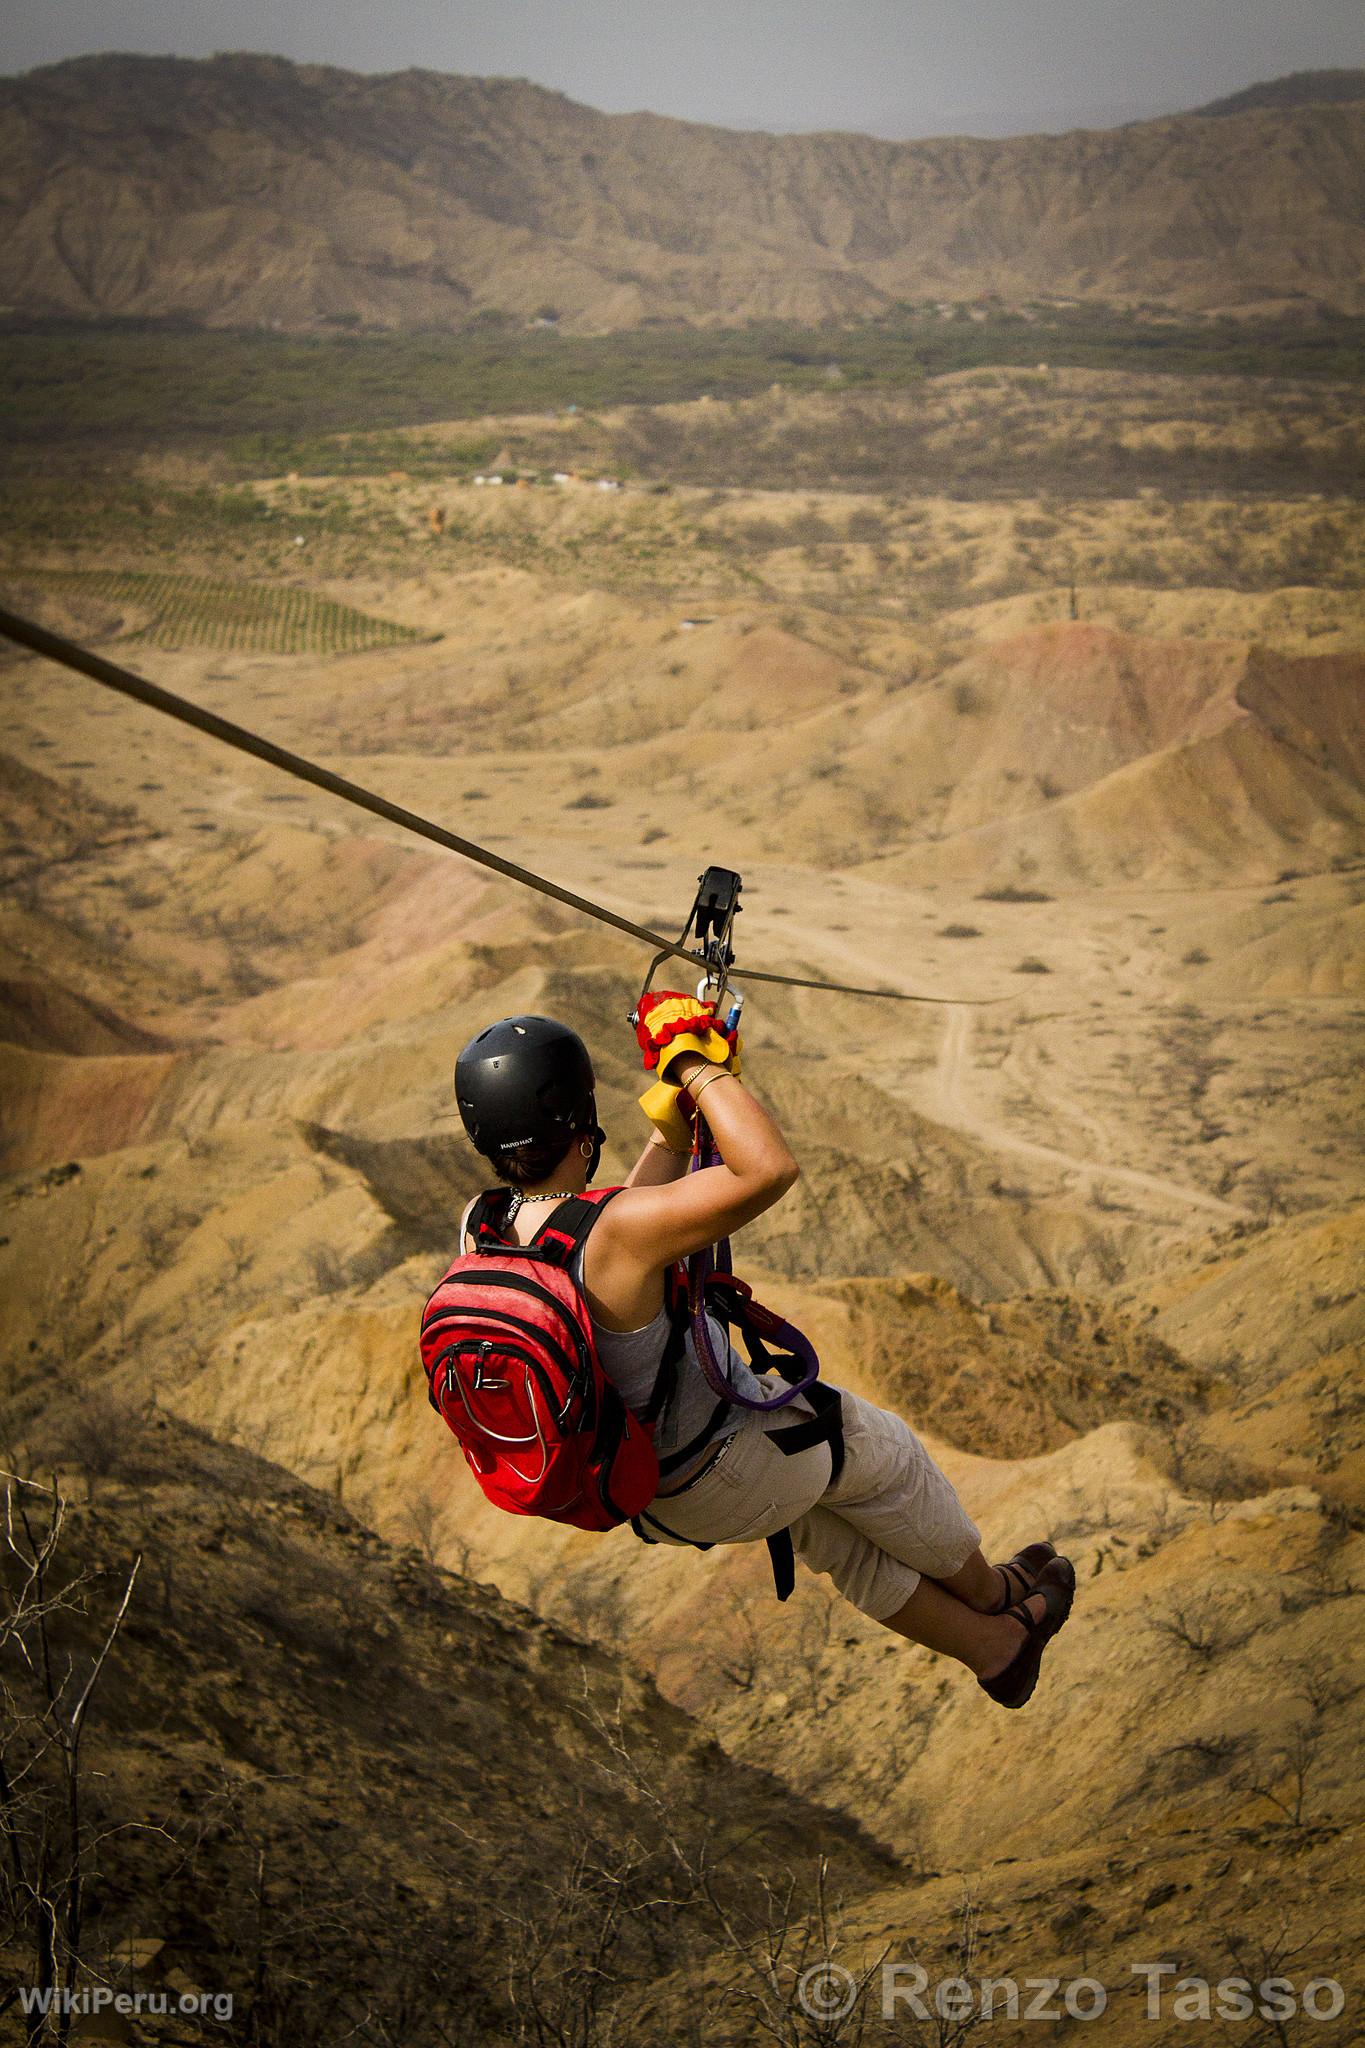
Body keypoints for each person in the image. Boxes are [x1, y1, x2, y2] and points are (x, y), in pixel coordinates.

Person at [453, 1009, 1074, 1709]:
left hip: (644, 1495)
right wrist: (695, 1063)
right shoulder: (619, 1233)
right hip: (721, 1469)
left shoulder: (484, 1225)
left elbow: (602, 1227)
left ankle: (994, 1652)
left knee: (831, 1530)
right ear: (581, 1114)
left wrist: (669, 1136)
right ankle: (1000, 1595)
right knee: (882, 1451)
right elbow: (767, 1169)